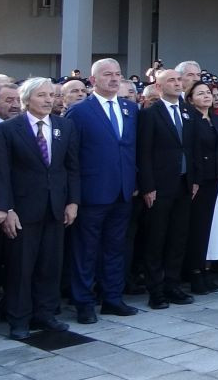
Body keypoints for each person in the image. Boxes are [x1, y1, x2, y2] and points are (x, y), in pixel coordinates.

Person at [0, 77, 80, 339]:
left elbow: (72, 167)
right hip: (22, 210)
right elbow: (1, 172)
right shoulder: (9, 129)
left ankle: (45, 313)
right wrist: (6, 208)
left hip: (56, 207)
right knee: (21, 267)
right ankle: (19, 319)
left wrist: (73, 201)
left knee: (50, 265)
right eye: (42, 95)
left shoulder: (65, 126)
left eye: (51, 95)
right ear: (27, 98)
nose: (48, 100)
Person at [65, 59, 140, 323]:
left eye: (117, 74)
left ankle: (112, 298)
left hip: (123, 191)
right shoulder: (80, 111)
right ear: (93, 80)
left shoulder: (131, 108)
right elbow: (71, 156)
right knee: (86, 250)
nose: (114, 79)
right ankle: (84, 302)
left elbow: (132, 149)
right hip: (92, 192)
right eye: (107, 75)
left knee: (115, 247)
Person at [136, 67, 195, 309]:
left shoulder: (186, 110)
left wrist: (195, 180)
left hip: (184, 183)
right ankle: (156, 289)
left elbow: (192, 148)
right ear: (159, 87)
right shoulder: (151, 114)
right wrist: (148, 186)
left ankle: (173, 284)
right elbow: (144, 153)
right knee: (156, 238)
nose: (177, 83)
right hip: (160, 186)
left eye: (179, 79)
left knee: (178, 237)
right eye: (171, 80)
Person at [181, 80, 218, 296]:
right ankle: (195, 272)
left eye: (208, 93)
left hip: (216, 177)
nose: (207, 96)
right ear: (190, 99)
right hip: (199, 180)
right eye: (200, 93)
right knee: (197, 228)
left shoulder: (217, 119)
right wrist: (194, 180)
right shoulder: (190, 121)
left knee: (208, 227)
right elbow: (191, 152)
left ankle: (205, 269)